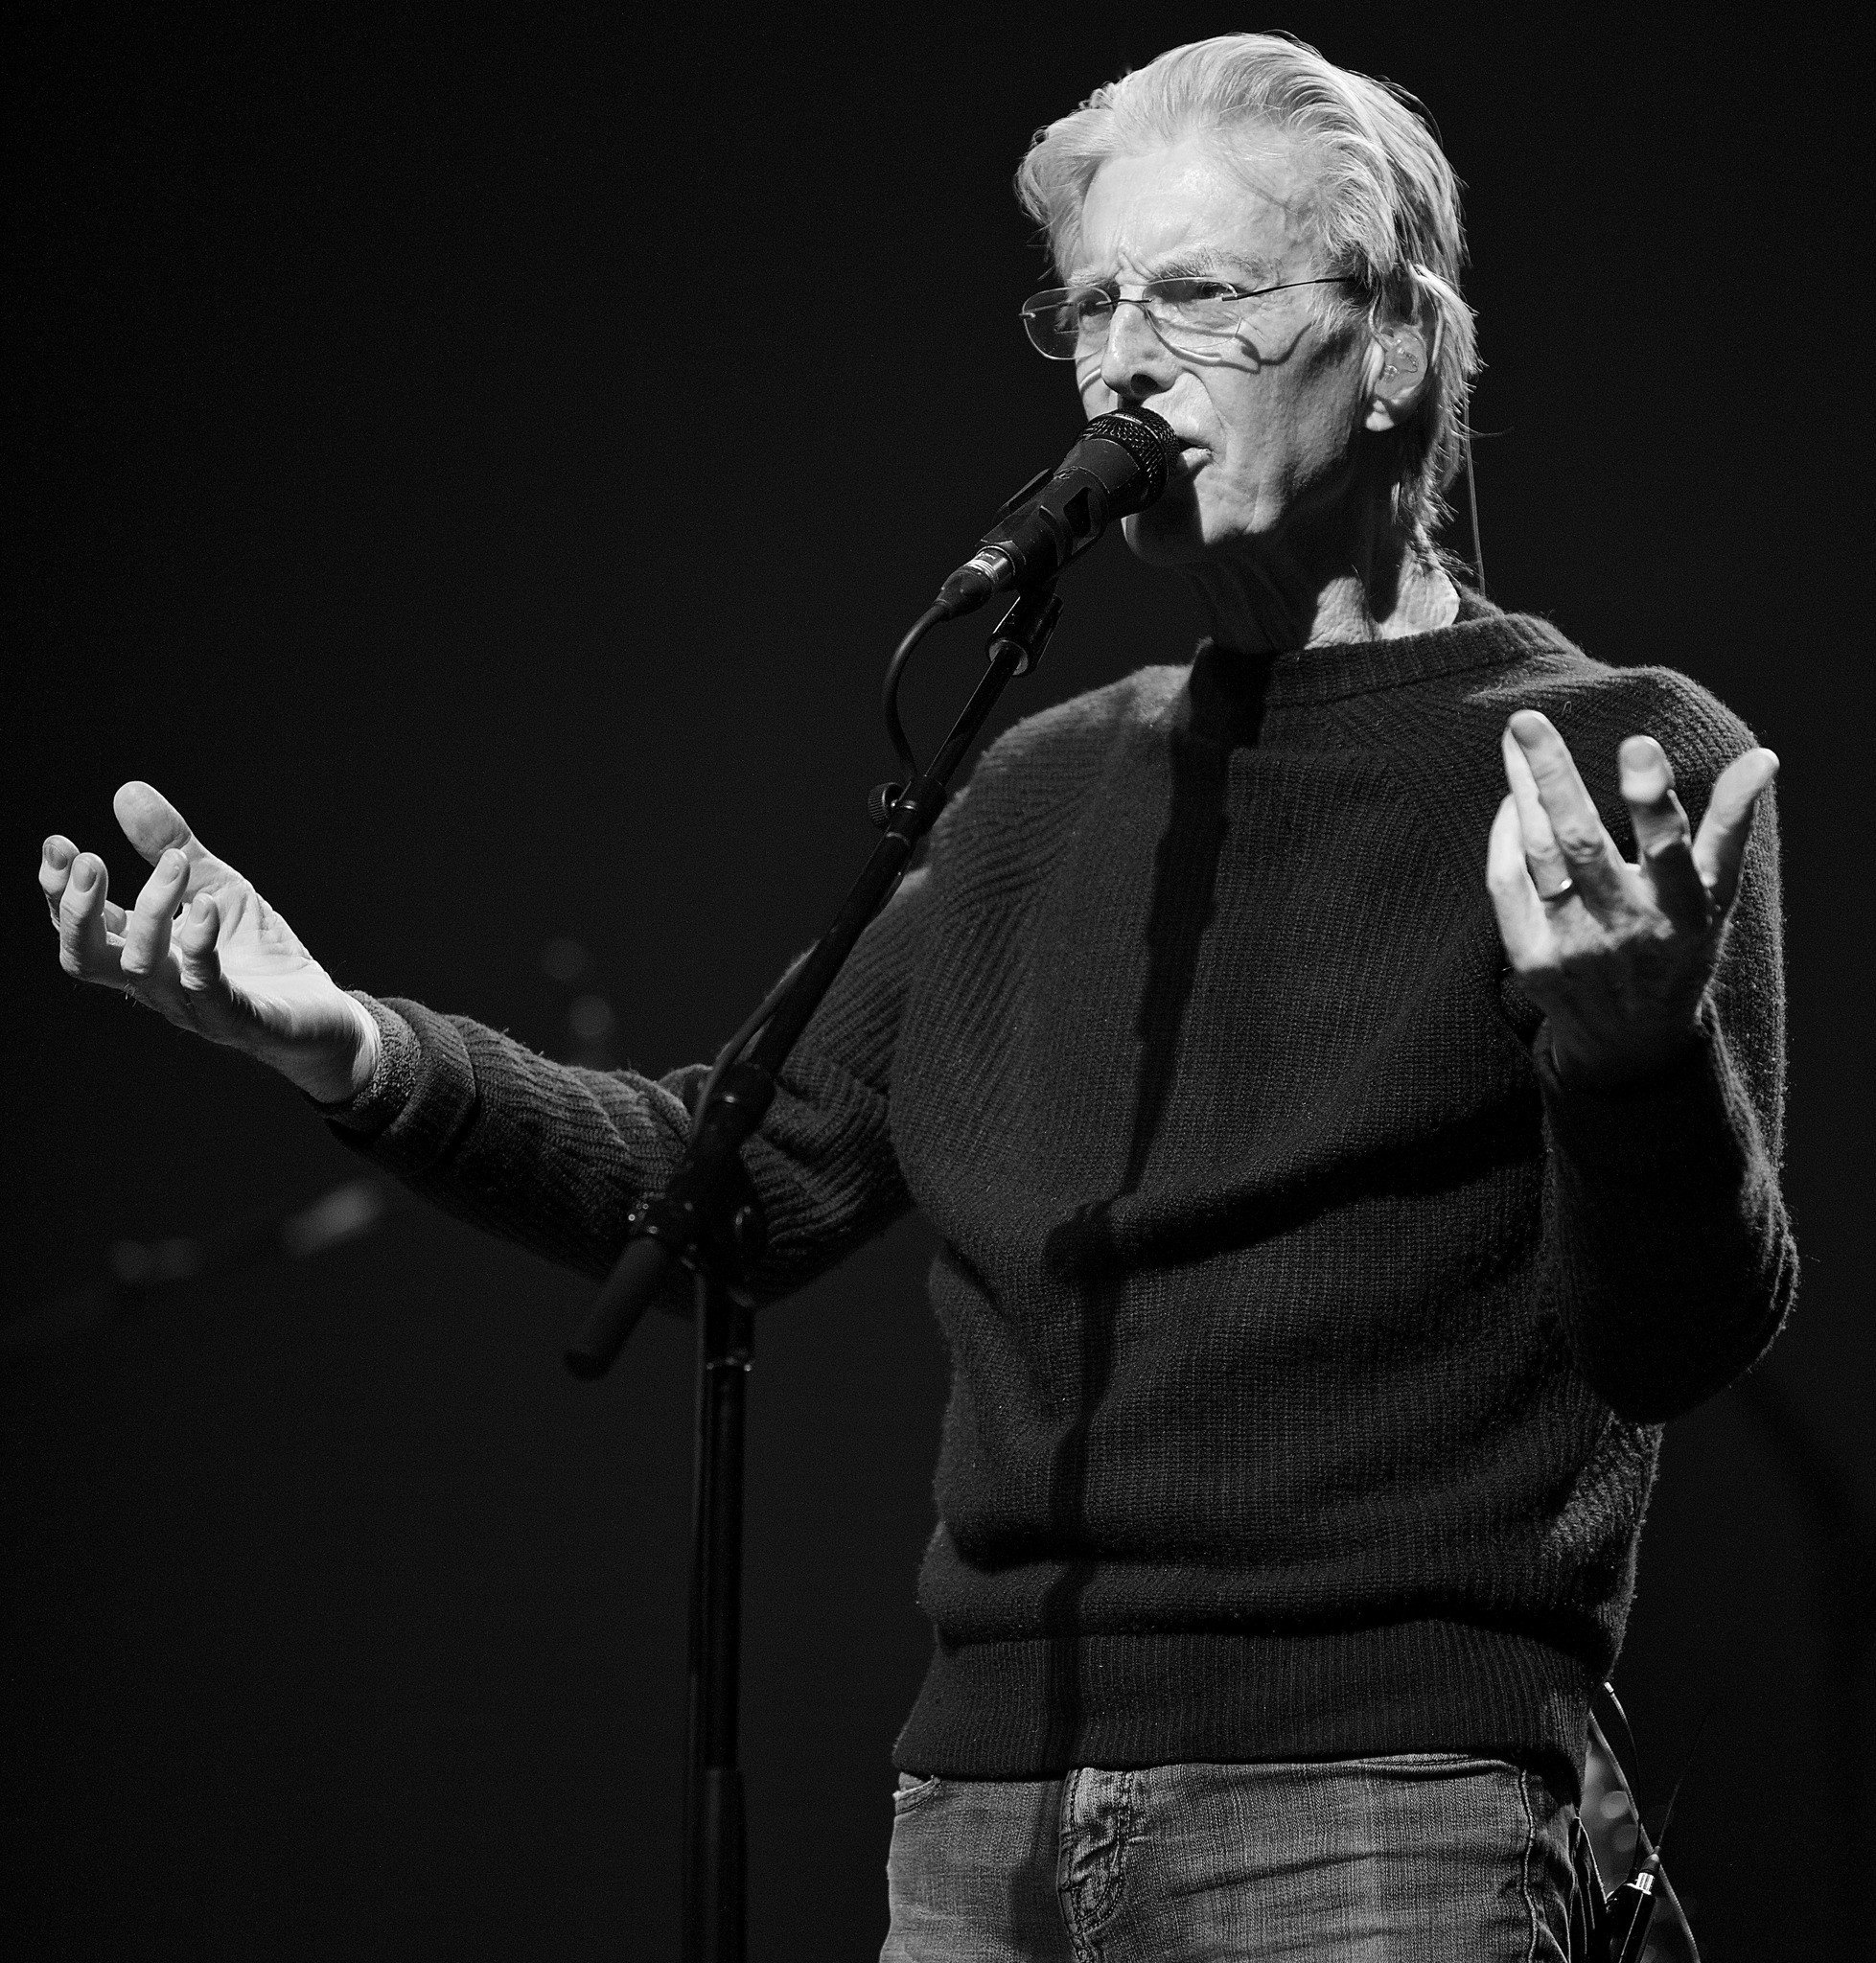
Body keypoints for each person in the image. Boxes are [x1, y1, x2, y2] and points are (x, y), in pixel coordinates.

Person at [38, 33, 1794, 1963]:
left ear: (1394, 350)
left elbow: (1677, 1337)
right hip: (983, 1819)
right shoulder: (1041, 792)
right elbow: (728, 1172)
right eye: (1093, 306)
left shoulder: (1612, 763)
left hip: (1379, 1805)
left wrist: (1634, 1062)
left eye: (1196, 297)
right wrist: (343, 1039)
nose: (1122, 360)